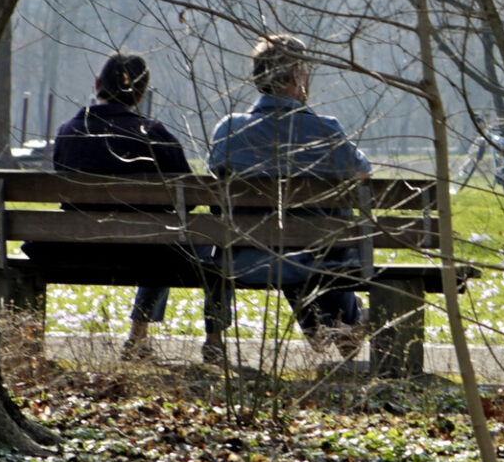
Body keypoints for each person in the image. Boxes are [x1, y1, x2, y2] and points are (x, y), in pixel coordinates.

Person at [205, 33, 371, 362]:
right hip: (312, 258)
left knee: (285, 234)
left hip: (243, 260)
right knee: (326, 225)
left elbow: (214, 180)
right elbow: (362, 173)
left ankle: (214, 338)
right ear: (296, 76)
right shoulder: (326, 130)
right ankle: (348, 323)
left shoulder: (229, 130)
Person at [35, 52, 202, 361]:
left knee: (161, 238)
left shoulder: (68, 132)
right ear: (140, 95)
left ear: (97, 84)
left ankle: (28, 345)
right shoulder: (154, 134)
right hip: (145, 254)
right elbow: (189, 199)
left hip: (76, 248)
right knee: (166, 237)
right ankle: (138, 336)